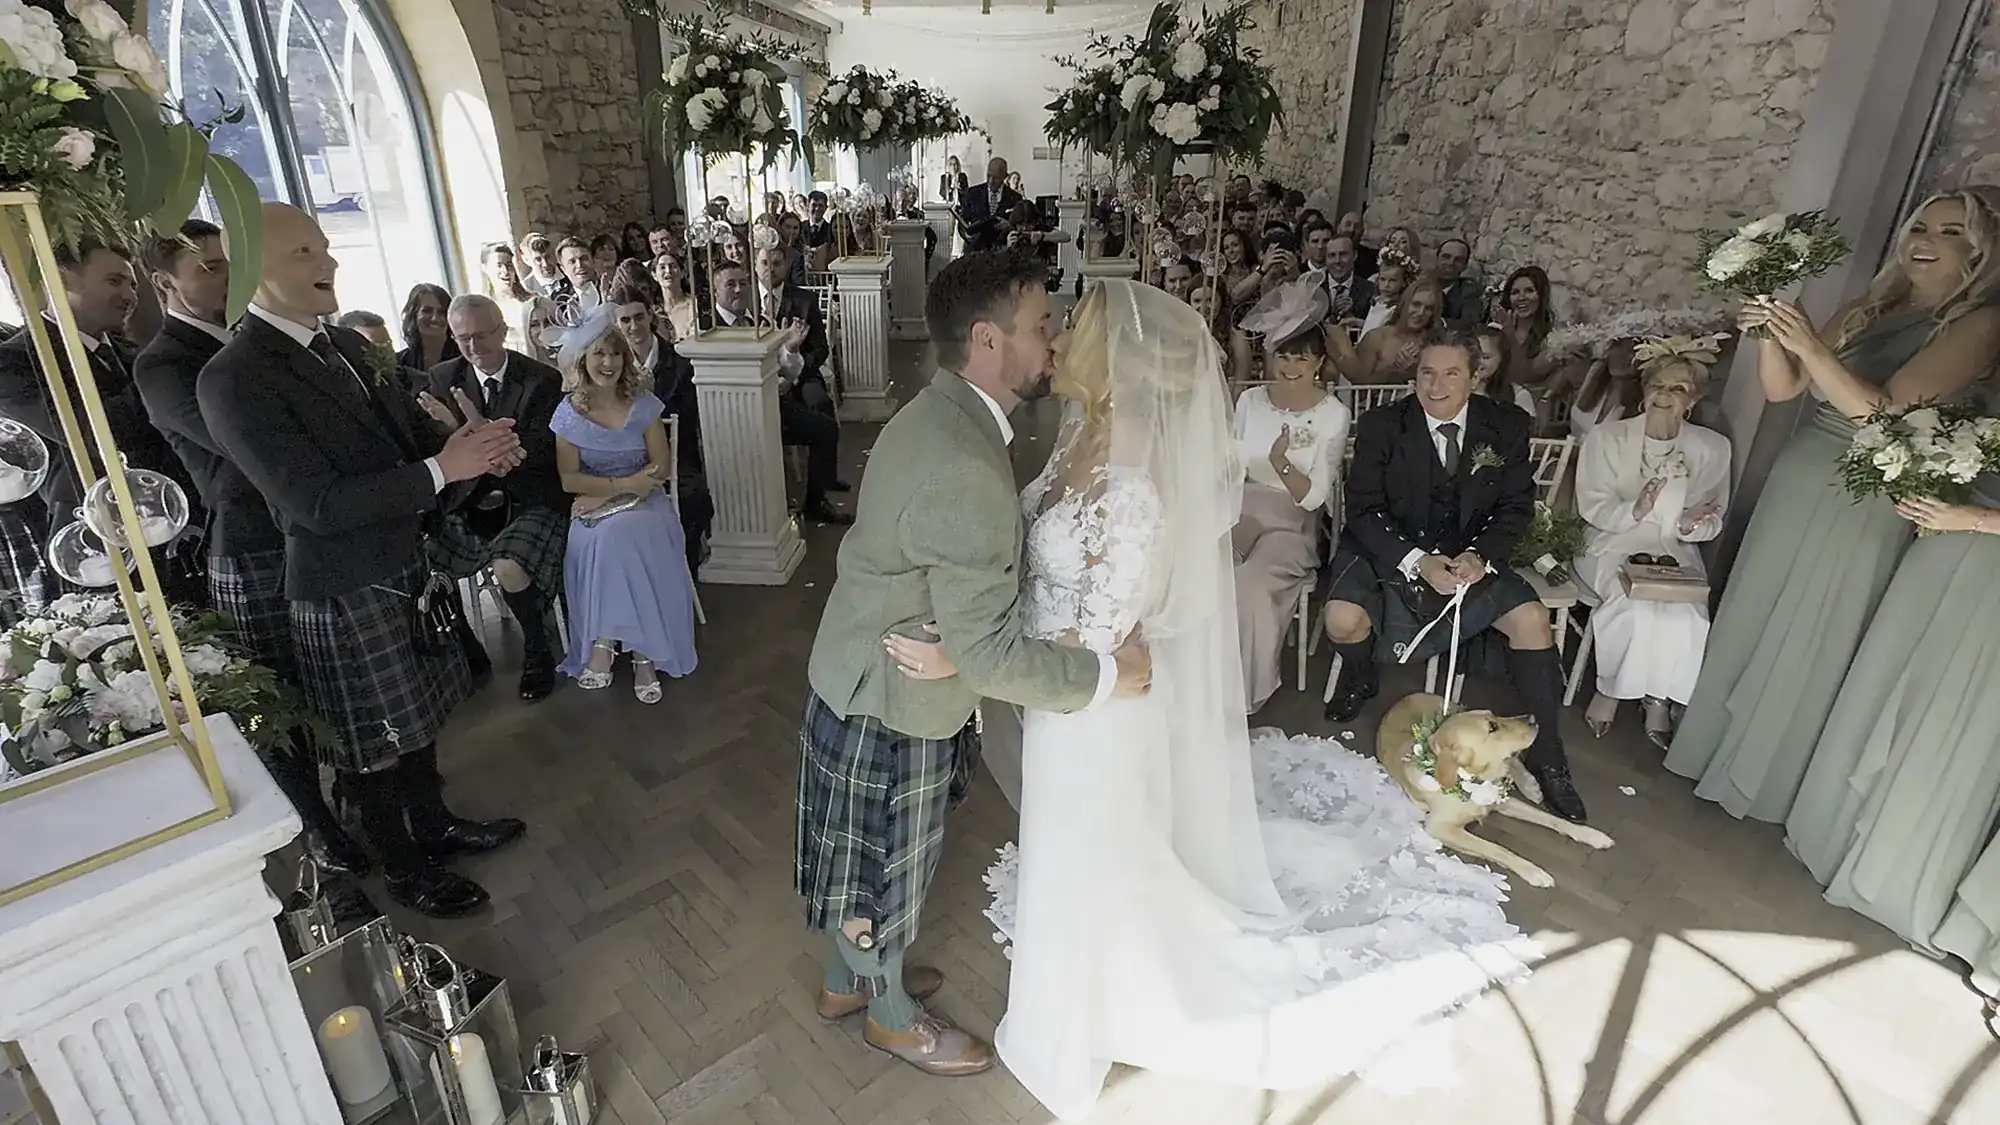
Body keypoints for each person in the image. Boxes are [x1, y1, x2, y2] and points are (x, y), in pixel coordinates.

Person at [885, 281, 1537, 1119]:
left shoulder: (1138, 460)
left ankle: (1082, 1010)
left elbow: (1112, 620)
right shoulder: (1078, 430)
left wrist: (973, 658)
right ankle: (1076, 979)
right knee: (1073, 847)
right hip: (1059, 690)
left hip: (1095, 705)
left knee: (1089, 844)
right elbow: (1040, 561)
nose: (1053, 341)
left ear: (1113, 358)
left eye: (1067, 329)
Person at [794, 253, 1153, 1077]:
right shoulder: (963, 459)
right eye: (1041, 326)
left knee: (860, 856)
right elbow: (990, 656)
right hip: (890, 700)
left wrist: (962, 636)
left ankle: (850, 979)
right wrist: (1107, 676)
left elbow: (960, 586)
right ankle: (890, 1016)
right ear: (988, 339)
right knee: (884, 867)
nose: (1054, 340)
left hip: (861, 669)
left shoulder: (937, 417)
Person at [198, 203, 527, 918]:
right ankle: (406, 867)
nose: (329, 262)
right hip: (340, 583)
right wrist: (444, 469)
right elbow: (310, 504)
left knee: (418, 724)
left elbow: (409, 443)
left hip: (402, 562)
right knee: (371, 744)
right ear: (252, 268)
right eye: (304, 253)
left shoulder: (344, 345)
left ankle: (434, 826)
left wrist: (479, 449)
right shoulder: (232, 376)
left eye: (325, 246)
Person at [1667, 187, 2000, 822]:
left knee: (1816, 626)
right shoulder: (1873, 305)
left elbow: (1888, 411)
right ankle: (1708, 748)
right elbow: (1783, 387)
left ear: (1982, 252)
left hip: (1867, 491)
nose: (1924, 241)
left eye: (1951, 232)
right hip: (1802, 471)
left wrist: (1811, 346)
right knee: (1757, 605)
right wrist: (1772, 332)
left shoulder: (1978, 325)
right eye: (1920, 226)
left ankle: (1762, 780)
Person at [134, 220, 366, 875]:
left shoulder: (261, 341)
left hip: (312, 535)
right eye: (208, 267)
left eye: (229, 263)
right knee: (280, 697)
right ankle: (314, 827)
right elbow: (246, 451)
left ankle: (363, 801)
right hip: (251, 545)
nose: (226, 276)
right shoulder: (164, 364)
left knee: (338, 684)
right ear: (166, 281)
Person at [1319, 324, 1587, 821]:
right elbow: (1362, 508)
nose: (1436, 386)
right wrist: (1416, 559)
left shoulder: (1504, 425)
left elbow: (1514, 507)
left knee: (1531, 620)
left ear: (1474, 376)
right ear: (1414, 375)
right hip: (1388, 549)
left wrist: (1479, 556)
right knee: (1341, 619)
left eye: (1450, 374)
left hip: (1468, 554)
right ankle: (1360, 676)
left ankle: (1548, 755)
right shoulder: (1383, 424)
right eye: (1426, 373)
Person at [1783, 375, 2000, 954]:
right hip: (1943, 543)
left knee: (1949, 722)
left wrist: (1976, 521)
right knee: (1891, 685)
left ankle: (1897, 875)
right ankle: (1837, 838)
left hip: (1988, 567)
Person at [0, 236, 197, 610]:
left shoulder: (133, 354)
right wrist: (160, 385)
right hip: (94, 545)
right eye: (114, 281)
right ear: (63, 278)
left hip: (174, 531)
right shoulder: (16, 362)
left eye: (133, 284)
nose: (130, 295)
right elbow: (92, 428)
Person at [1571, 336, 1730, 745]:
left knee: (1687, 614)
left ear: (1692, 400)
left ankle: (1659, 697)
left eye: (1678, 389)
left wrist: (1691, 524)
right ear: (1644, 392)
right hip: (1610, 540)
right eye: (1658, 386)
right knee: (1634, 605)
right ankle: (1610, 689)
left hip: (1673, 547)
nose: (1666, 396)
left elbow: (1712, 519)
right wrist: (1636, 510)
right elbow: (1592, 506)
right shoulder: (1607, 438)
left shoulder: (1712, 448)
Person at [413, 294, 570, 702]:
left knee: (509, 566)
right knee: (423, 560)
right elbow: (433, 446)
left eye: (483, 336)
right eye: (463, 338)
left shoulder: (540, 379)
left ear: (502, 331)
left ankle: (538, 649)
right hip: (467, 501)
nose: (474, 348)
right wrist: (479, 440)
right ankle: (468, 653)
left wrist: (471, 434)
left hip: (530, 497)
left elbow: (542, 448)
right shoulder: (443, 377)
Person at [549, 305, 699, 703]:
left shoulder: (644, 403)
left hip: (647, 505)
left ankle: (607, 645)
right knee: (614, 536)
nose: (609, 362)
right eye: (599, 354)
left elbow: (661, 468)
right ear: (583, 360)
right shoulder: (568, 413)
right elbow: (569, 479)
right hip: (597, 510)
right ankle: (642, 653)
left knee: (624, 533)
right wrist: (622, 486)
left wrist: (621, 489)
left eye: (615, 353)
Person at [1230, 282, 1349, 712]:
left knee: (1249, 586)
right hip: (1236, 511)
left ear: (1319, 361)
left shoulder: (1333, 414)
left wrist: (1282, 462)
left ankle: (1239, 693)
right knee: (1194, 567)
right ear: (1269, 355)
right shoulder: (1249, 400)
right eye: (1283, 352)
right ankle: (1189, 680)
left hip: (1291, 524)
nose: (1291, 364)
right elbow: (1230, 466)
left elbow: (1315, 499)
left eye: (1302, 355)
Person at [707, 260, 850, 524]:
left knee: (826, 429)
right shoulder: (706, 328)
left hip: (772, 404)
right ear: (716, 290)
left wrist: (792, 348)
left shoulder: (759, 322)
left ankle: (814, 504)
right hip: (731, 415)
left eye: (743, 283)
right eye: (730, 284)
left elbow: (787, 369)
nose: (739, 290)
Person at [607, 286, 711, 572]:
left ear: (651, 314)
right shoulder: (610, 367)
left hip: (676, 457)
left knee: (694, 496)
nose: (633, 326)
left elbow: (688, 420)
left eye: (639, 317)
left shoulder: (679, 363)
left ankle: (684, 564)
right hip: (626, 462)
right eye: (625, 321)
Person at [478, 242, 560, 362]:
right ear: (485, 268)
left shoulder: (533, 301)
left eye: (509, 265)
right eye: (499, 265)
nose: (505, 271)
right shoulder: (484, 310)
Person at [957, 157, 1023, 253]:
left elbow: (1021, 227)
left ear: (1005, 177)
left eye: (996, 178)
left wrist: (1009, 226)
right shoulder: (972, 193)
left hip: (1002, 253)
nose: (991, 181)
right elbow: (962, 222)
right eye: (988, 176)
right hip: (975, 252)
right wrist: (967, 235)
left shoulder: (1015, 198)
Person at [396, 283, 458, 371]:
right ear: (413, 315)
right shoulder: (399, 363)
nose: (435, 318)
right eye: (427, 311)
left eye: (441, 312)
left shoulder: (465, 357)